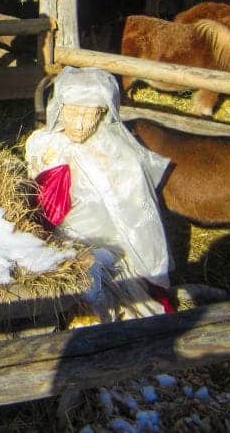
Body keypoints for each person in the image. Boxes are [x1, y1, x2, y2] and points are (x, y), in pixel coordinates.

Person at [25, 66, 172, 316]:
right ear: (60, 108)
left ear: (104, 113)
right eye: (73, 112)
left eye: (91, 114)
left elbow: (135, 219)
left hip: (106, 245)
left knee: (96, 276)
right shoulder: (42, 143)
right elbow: (30, 195)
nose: (80, 124)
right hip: (53, 240)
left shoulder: (118, 154)